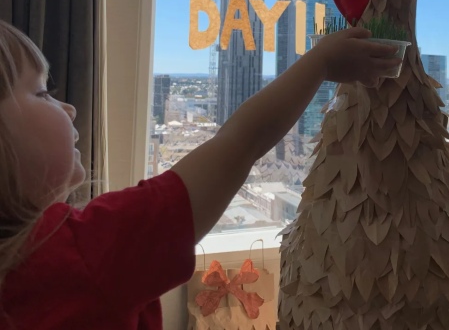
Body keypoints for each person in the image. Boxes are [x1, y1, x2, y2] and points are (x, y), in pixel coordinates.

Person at [0, 19, 400, 329]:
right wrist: (321, 62)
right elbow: (240, 142)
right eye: (42, 92)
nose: (69, 108)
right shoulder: (87, 249)